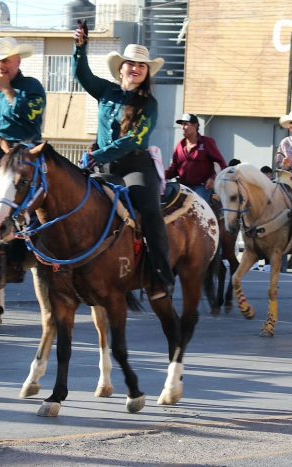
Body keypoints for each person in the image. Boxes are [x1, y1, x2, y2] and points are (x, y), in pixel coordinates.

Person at [73, 25, 173, 300]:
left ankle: (161, 276)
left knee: (150, 211)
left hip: (135, 166)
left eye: (142, 65)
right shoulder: (105, 91)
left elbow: (133, 140)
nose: (136, 68)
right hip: (103, 166)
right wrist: (80, 48)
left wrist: (97, 156)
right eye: (131, 63)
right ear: (121, 69)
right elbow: (82, 75)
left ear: (146, 72)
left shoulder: (148, 104)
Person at [165, 113, 227, 201]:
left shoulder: (207, 142)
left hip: (202, 188)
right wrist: (161, 174)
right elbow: (174, 169)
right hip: (183, 188)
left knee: (195, 210)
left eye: (186, 124)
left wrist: (214, 178)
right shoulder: (180, 146)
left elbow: (222, 164)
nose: (183, 127)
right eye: (182, 124)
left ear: (195, 125)